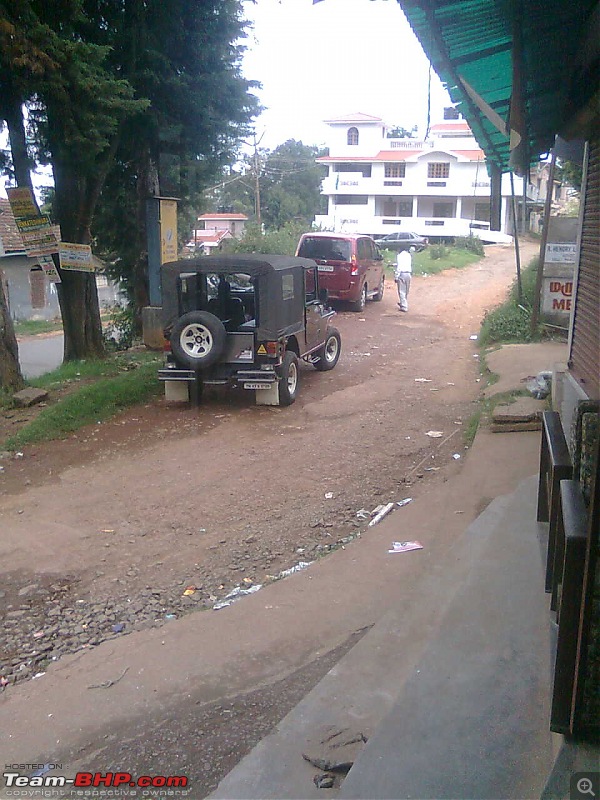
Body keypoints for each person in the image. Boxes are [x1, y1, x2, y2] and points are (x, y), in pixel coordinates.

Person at [394, 246, 415, 312]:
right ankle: (403, 302)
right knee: (406, 290)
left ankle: (404, 306)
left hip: (402, 274)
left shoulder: (399, 256)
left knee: (401, 291)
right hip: (408, 274)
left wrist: (396, 276)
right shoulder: (409, 255)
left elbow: (399, 267)